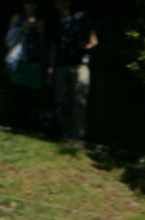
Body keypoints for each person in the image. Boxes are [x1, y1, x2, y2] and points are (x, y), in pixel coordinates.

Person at [50, 0, 97, 142]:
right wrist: (50, 69)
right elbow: (53, 48)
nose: (61, 5)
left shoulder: (82, 18)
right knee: (62, 102)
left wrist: (81, 49)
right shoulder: (56, 23)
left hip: (80, 65)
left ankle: (78, 138)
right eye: (58, 2)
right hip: (62, 66)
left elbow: (94, 40)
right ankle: (63, 134)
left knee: (79, 102)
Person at [5, 1, 46, 132]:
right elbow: (9, 39)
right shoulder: (17, 18)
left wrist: (40, 32)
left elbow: (43, 44)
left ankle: (27, 126)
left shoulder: (40, 21)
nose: (31, 7)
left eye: (34, 4)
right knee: (17, 93)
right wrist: (23, 29)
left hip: (33, 60)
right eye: (28, 4)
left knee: (30, 95)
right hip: (18, 60)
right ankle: (14, 125)